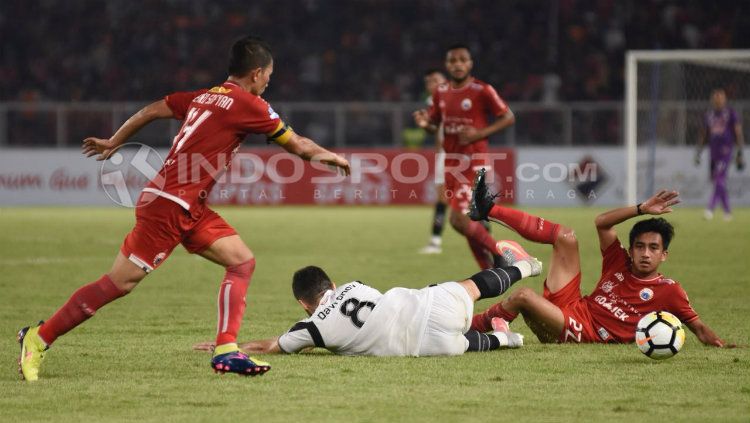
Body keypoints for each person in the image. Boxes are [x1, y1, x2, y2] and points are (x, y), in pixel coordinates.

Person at [17, 36, 351, 381]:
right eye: (268, 75)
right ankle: (39, 338)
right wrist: (332, 156)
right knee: (118, 283)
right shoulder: (248, 104)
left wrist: (115, 140)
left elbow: (153, 109)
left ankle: (226, 350)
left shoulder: (204, 95)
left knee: (241, 261)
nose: (269, 82)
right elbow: (297, 145)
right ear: (255, 73)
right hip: (169, 206)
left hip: (188, 205)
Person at [468, 169, 729, 347]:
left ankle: (473, 326)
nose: (645, 253)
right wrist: (640, 209)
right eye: (639, 246)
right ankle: (487, 209)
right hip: (574, 305)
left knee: (523, 296)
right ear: (632, 248)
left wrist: (726, 346)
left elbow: (700, 329)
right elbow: (602, 223)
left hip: (584, 332)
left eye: (653, 248)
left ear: (664, 255)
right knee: (566, 237)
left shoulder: (669, 291)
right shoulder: (620, 261)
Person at [193, 252, 542, 357]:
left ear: (303, 304)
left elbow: (271, 346)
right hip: (431, 306)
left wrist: (228, 345)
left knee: (461, 343)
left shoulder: (311, 328)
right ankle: (525, 266)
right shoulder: (354, 284)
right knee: (467, 288)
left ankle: (507, 339)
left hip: (430, 348)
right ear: (331, 284)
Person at [413, 44, 515, 269]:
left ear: (470, 63)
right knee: (467, 223)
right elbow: (435, 126)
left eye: (462, 59)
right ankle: (489, 270)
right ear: (447, 65)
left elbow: (508, 117)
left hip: (475, 163)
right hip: (451, 164)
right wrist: (424, 124)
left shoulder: (482, 90)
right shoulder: (441, 92)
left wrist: (479, 133)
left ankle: (501, 254)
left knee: (458, 220)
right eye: (453, 60)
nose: (458, 64)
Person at [695, 88, 745, 221]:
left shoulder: (731, 113)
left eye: (720, 97)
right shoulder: (709, 115)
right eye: (715, 98)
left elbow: (738, 132)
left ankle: (710, 209)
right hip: (713, 152)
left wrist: (740, 151)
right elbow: (704, 134)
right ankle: (727, 211)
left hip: (725, 150)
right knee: (718, 181)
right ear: (712, 100)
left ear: (724, 99)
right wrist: (699, 152)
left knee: (719, 178)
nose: (717, 100)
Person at [417, 69, 449, 254]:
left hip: (465, 154)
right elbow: (437, 131)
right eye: (429, 81)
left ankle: (490, 244)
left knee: (473, 201)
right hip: (446, 155)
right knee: (442, 198)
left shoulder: (459, 97)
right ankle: (435, 242)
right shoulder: (431, 102)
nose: (432, 84)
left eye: (435, 80)